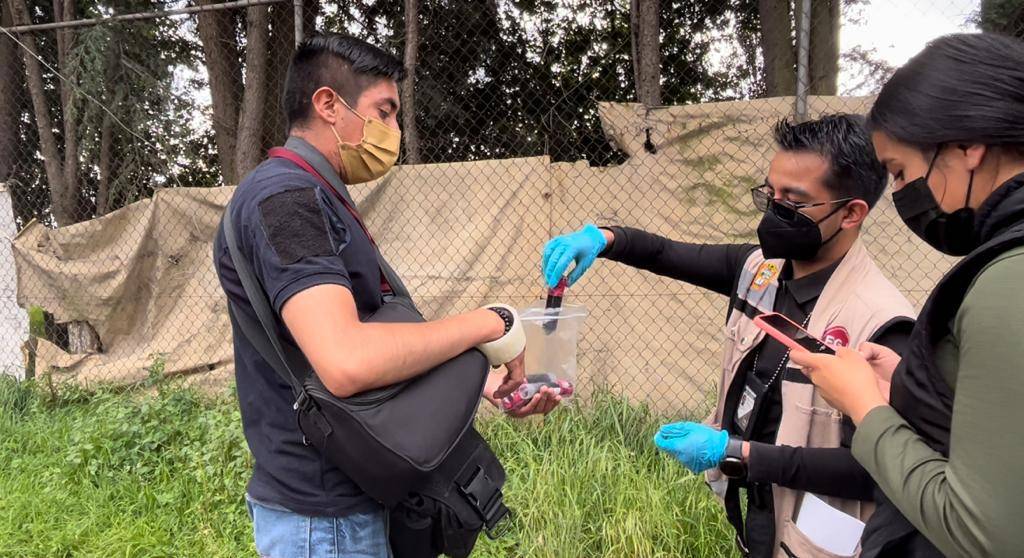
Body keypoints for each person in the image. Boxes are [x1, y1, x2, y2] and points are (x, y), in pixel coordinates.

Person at [213, 34, 559, 558]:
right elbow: (346, 361)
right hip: (324, 520)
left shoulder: (316, 193)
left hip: (351, 499)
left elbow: (367, 338)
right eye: (385, 111)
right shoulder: (286, 199)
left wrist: (475, 380)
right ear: (328, 104)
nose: (394, 131)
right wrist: (492, 323)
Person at [541, 114, 915, 557]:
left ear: (851, 212)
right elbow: (664, 253)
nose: (774, 210)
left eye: (793, 202)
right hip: (758, 514)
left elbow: (876, 470)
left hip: (825, 539)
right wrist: (603, 238)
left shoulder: (880, 325)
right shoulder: (761, 271)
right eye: (769, 193)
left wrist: (737, 452)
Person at [791, 33, 1024, 558]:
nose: (899, 195)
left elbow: (986, 534)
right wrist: (919, 386)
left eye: (899, 172)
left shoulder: (1007, 279)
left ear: (968, 148)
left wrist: (865, 406)